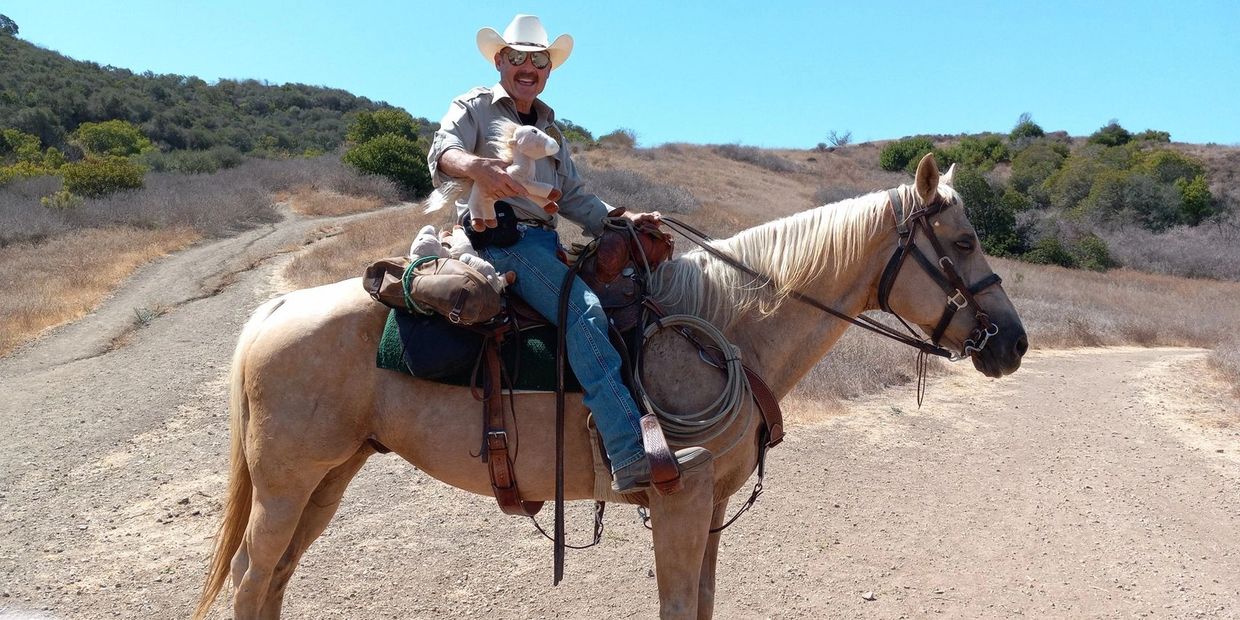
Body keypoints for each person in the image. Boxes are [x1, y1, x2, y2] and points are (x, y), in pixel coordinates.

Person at [428, 14, 704, 492]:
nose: (527, 67)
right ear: (500, 61)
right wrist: (477, 167)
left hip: (544, 242)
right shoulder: (473, 106)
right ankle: (628, 454)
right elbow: (442, 154)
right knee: (586, 314)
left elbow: (574, 198)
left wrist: (624, 219)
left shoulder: (550, 127)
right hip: (499, 240)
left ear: (548, 69)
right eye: (517, 58)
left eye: (537, 60)